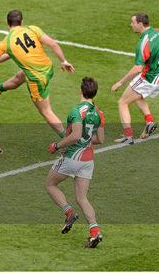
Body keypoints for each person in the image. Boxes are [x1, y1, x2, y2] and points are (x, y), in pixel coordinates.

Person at [0, 10, 75, 137]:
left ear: (7, 23)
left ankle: (68, 140)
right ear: (22, 21)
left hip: (36, 79)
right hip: (48, 68)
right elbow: (53, 44)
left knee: (46, 111)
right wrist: (64, 61)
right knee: (21, 75)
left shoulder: (6, 42)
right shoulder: (33, 29)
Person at [45, 77, 105, 249]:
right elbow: (100, 139)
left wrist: (56, 145)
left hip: (72, 158)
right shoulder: (99, 113)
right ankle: (94, 231)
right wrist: (85, 142)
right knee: (82, 197)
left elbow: (76, 135)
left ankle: (69, 212)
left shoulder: (77, 111)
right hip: (88, 160)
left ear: (81, 91)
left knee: (50, 184)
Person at [111, 13, 159, 144]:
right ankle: (149, 122)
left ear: (140, 24)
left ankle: (128, 137)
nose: (131, 25)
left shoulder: (143, 43)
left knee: (122, 102)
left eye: (133, 22)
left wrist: (120, 82)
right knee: (137, 95)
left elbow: (138, 68)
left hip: (150, 79)